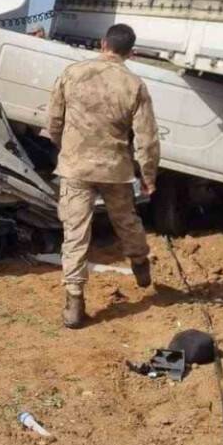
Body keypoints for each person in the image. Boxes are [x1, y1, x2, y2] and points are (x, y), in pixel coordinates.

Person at [46, 23, 160, 329]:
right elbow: (147, 139)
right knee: (126, 220)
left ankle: (74, 302)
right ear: (130, 52)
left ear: (102, 44)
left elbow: (54, 120)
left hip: (75, 168)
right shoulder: (134, 85)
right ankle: (139, 263)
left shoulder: (72, 73)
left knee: (75, 233)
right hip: (115, 169)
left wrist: (64, 147)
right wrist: (148, 176)